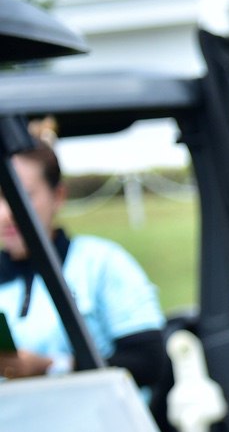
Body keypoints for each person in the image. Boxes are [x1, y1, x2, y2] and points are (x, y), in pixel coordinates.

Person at [0, 133, 169, 399]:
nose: (6, 213)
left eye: (22, 196)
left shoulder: (101, 262)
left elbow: (148, 362)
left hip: (100, 430)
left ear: (58, 196)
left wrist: (53, 367)